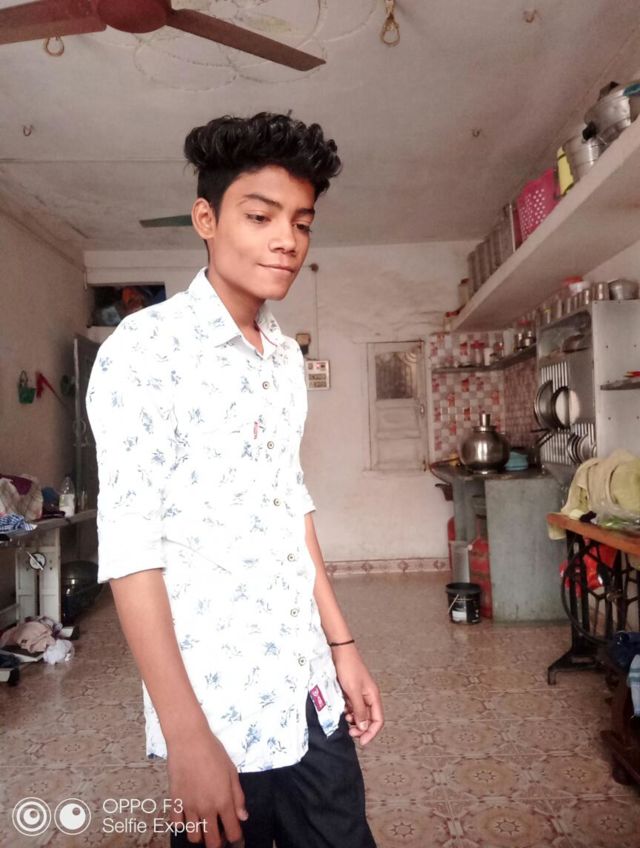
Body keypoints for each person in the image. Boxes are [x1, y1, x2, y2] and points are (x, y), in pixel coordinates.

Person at [87, 112, 383, 848]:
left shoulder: (284, 358)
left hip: (307, 686)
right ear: (206, 219)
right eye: (261, 216)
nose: (287, 240)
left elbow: (291, 506)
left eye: (302, 223)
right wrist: (186, 736)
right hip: (218, 706)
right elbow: (130, 551)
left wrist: (342, 648)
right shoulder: (145, 351)